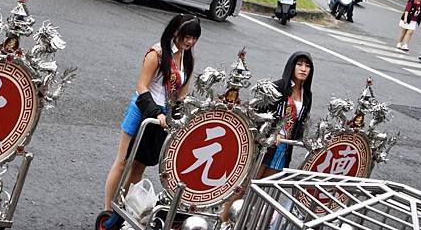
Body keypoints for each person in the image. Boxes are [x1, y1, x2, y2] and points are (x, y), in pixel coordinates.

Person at [102, 14, 201, 215]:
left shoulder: (188, 59)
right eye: (186, 37)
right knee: (123, 162)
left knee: (140, 166)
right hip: (143, 111)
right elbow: (141, 85)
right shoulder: (157, 53)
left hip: (164, 117)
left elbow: (183, 94)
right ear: (175, 32)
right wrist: (155, 112)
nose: (190, 42)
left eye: (194, 38)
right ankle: (106, 211)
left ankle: (124, 208)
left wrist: (179, 116)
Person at [222, 51, 313, 222]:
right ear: (292, 66)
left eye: (307, 66)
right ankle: (223, 221)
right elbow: (258, 114)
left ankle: (244, 223)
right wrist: (271, 132)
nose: (303, 69)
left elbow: (300, 125)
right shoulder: (278, 87)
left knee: (265, 192)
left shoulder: (307, 96)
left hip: (284, 150)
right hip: (266, 146)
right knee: (245, 187)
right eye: (300, 64)